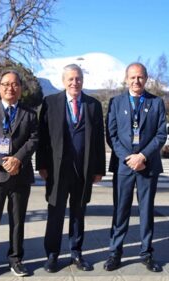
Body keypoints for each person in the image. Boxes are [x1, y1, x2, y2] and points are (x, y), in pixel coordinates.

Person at [36, 64, 106, 273]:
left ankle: (76, 253)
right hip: (57, 170)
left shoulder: (93, 105)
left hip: (83, 171)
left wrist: (99, 168)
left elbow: (98, 140)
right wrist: (41, 165)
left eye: (78, 79)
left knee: (78, 213)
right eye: (71, 79)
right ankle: (52, 255)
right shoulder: (50, 102)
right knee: (55, 214)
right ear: (63, 80)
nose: (75, 82)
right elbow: (43, 138)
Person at [104, 62, 167, 273]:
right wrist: (128, 158)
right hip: (124, 166)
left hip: (147, 166)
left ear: (146, 79)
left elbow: (161, 134)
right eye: (132, 77)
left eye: (140, 77)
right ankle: (115, 252)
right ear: (126, 78)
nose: (136, 81)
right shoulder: (115, 102)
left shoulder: (157, 103)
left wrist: (142, 156)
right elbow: (111, 135)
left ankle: (146, 253)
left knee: (146, 211)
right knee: (120, 210)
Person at [0, 70, 38, 279]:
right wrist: (3, 162)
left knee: (18, 220)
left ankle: (16, 259)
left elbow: (33, 139)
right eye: (5, 84)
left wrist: (17, 159)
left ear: (20, 88)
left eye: (14, 84)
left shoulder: (29, 113)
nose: (9, 88)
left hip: (20, 174)